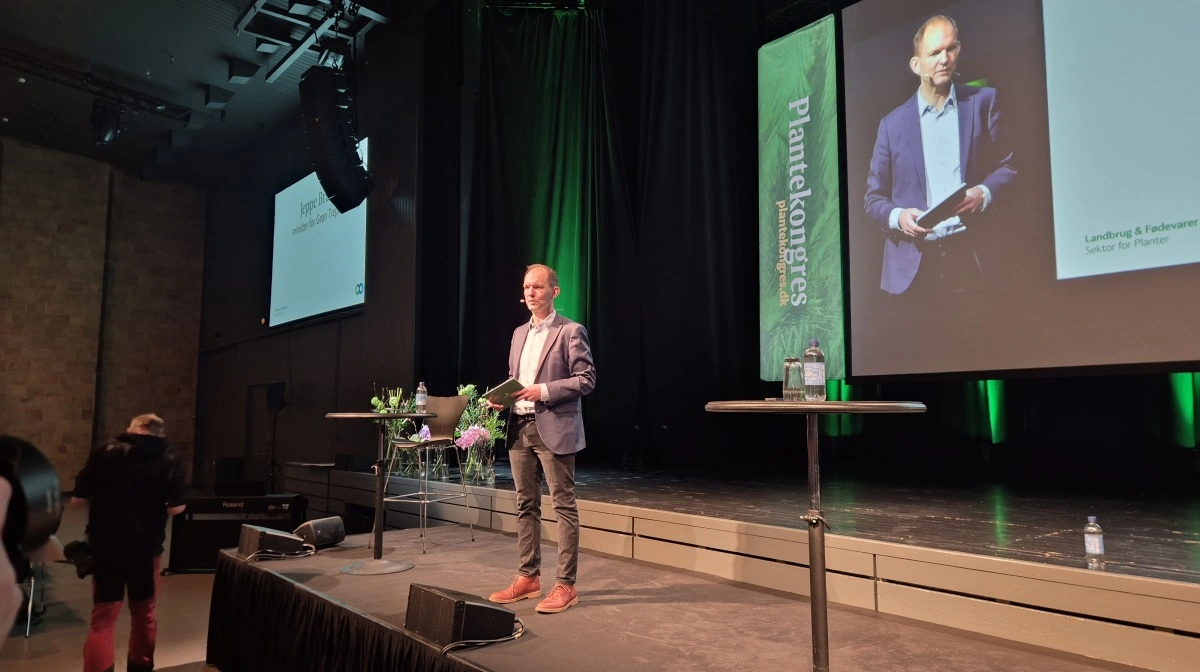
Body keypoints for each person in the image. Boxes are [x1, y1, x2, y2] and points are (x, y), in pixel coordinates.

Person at [864, 15, 1016, 295]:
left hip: (973, 259)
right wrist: (898, 217)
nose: (944, 59)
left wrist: (984, 193)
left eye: (951, 48)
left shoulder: (984, 102)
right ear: (915, 64)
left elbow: (1008, 167)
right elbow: (873, 199)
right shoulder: (892, 125)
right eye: (934, 53)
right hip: (914, 270)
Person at [487, 264, 595, 614]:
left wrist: (544, 390)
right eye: (527, 287)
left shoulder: (571, 331)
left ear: (554, 292)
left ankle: (565, 584)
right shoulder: (519, 333)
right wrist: (501, 397)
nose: (531, 293)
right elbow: (515, 378)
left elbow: (586, 379)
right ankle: (528, 577)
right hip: (520, 428)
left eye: (538, 287)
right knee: (525, 505)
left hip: (554, 428)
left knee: (563, 506)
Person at [72, 413, 188, 672]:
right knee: (144, 614)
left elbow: (78, 497)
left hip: (105, 547)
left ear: (134, 428)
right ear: (160, 432)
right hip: (145, 549)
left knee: (103, 620)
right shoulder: (169, 458)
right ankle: (140, 667)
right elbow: (176, 509)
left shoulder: (104, 451)